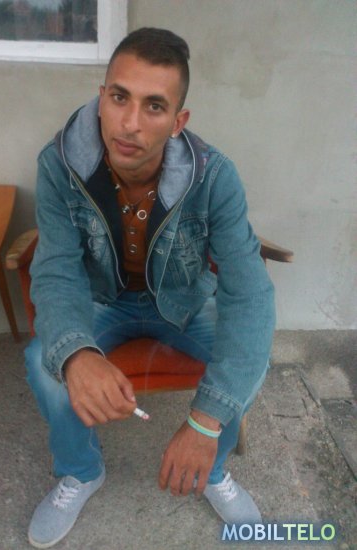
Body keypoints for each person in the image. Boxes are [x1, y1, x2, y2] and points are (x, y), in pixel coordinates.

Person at [25, 27, 275, 548]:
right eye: (119, 98)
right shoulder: (58, 165)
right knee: (44, 362)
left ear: (179, 121)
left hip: (185, 301)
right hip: (102, 300)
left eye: (154, 106)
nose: (130, 123)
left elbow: (249, 295)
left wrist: (203, 424)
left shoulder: (215, 177)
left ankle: (211, 467)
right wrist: (76, 354)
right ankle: (81, 471)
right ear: (102, 98)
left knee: (241, 348)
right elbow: (56, 269)